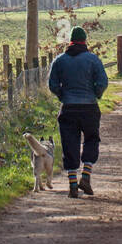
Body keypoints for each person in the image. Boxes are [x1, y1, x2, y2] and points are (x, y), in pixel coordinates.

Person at [47, 26, 109, 198]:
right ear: (85, 41)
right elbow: (103, 82)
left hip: (68, 108)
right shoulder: (93, 60)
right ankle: (86, 176)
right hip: (89, 107)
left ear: (70, 41)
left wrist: (63, 96)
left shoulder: (59, 60)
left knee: (69, 144)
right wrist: (96, 94)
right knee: (91, 140)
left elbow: (52, 85)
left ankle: (73, 184)